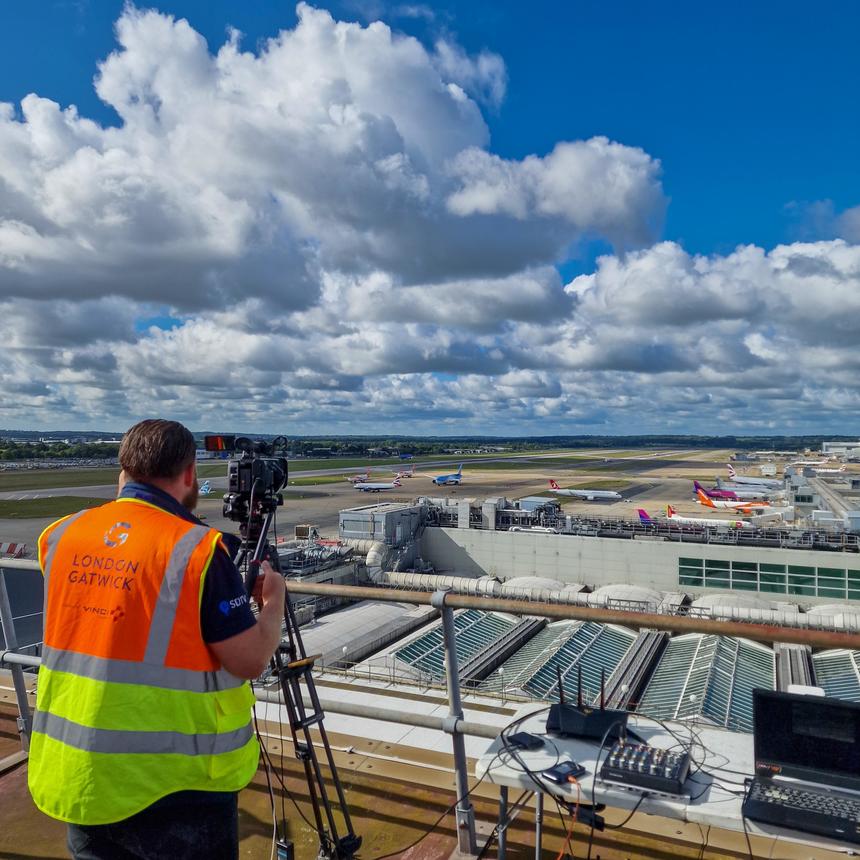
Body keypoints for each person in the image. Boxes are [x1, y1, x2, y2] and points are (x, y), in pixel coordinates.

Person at [29, 419, 286, 859]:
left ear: (123, 468)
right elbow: (248, 662)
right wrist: (274, 602)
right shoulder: (198, 550)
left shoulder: (61, 535)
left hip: (82, 772)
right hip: (173, 787)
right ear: (189, 474)